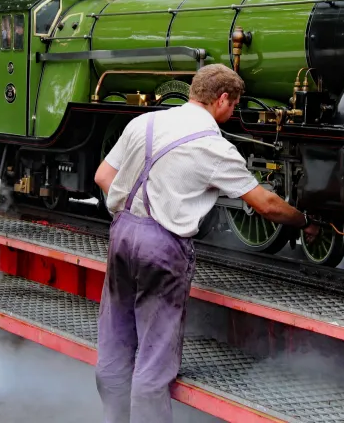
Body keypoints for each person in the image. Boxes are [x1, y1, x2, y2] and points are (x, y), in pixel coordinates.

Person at [93, 64, 322, 423]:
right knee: (153, 361)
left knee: (115, 339)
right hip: (162, 247)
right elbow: (265, 204)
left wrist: (138, 208)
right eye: (234, 107)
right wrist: (305, 222)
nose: (233, 115)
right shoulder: (214, 147)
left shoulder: (144, 123)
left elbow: (103, 176)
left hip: (122, 233)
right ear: (222, 99)